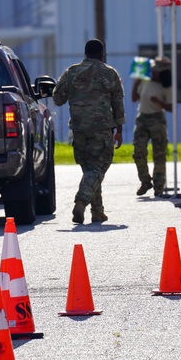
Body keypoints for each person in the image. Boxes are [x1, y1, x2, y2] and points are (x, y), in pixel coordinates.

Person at [53, 39, 125, 224]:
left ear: (85, 53)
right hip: (101, 129)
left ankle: (97, 211)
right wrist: (119, 130)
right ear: (102, 53)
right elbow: (118, 104)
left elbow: (58, 99)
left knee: (90, 169)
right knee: (98, 167)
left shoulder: (72, 72)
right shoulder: (110, 73)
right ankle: (81, 201)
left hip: (79, 129)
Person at [132, 57, 173, 197]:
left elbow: (171, 108)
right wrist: (137, 80)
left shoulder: (166, 86)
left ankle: (159, 186)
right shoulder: (146, 81)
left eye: (157, 72)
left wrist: (159, 102)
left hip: (157, 119)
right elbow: (133, 98)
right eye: (153, 71)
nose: (154, 74)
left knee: (159, 154)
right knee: (138, 151)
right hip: (142, 118)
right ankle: (145, 181)